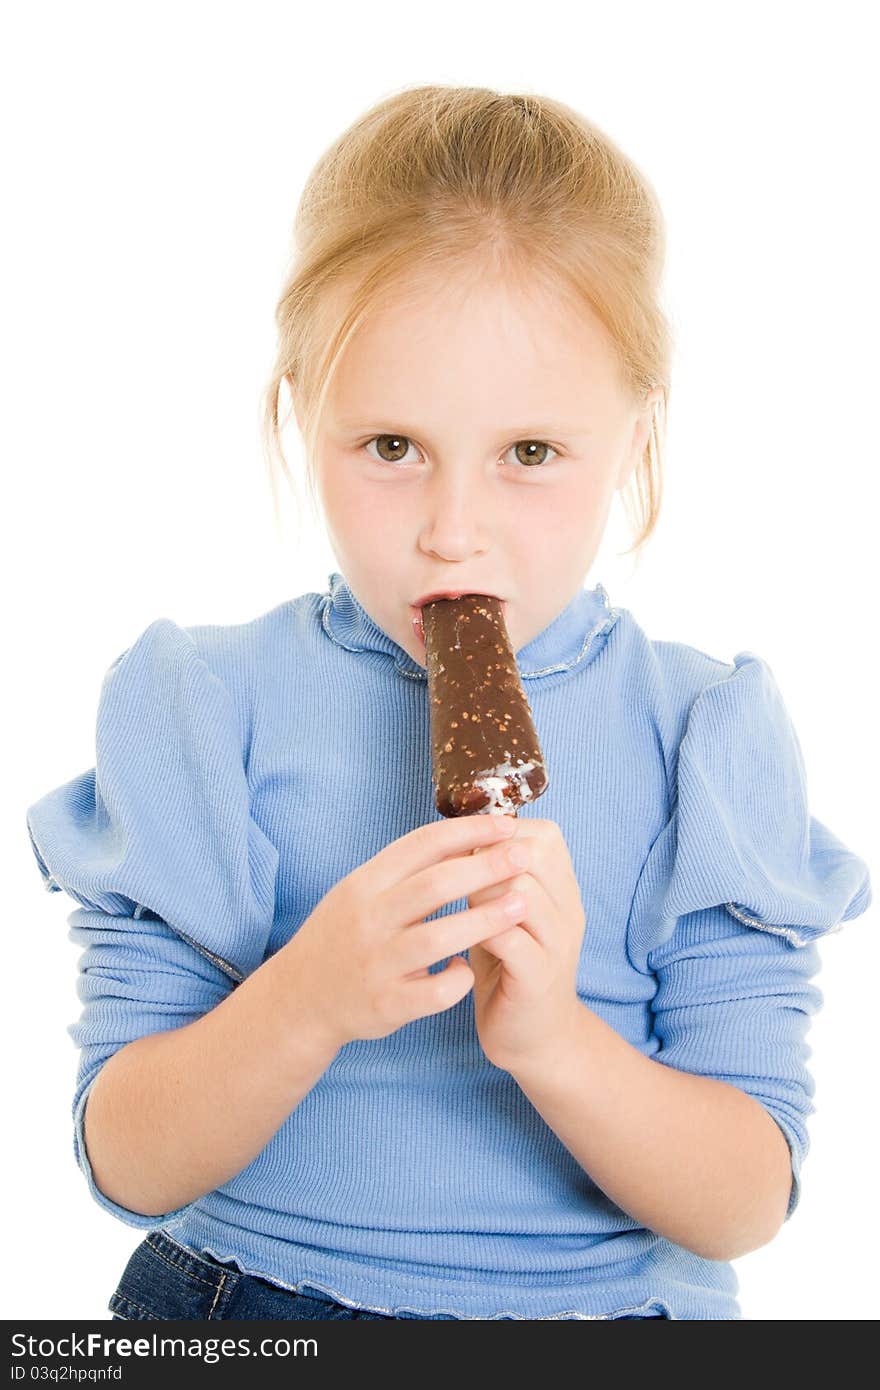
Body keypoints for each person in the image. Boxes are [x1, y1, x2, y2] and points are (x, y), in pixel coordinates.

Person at [26, 84, 871, 1323]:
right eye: (389, 447)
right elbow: (126, 1160)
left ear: (634, 437)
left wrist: (554, 1041)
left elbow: (745, 1199)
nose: (453, 533)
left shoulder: (702, 731)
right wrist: (307, 997)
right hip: (250, 1307)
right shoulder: (202, 705)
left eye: (530, 454)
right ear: (300, 406)